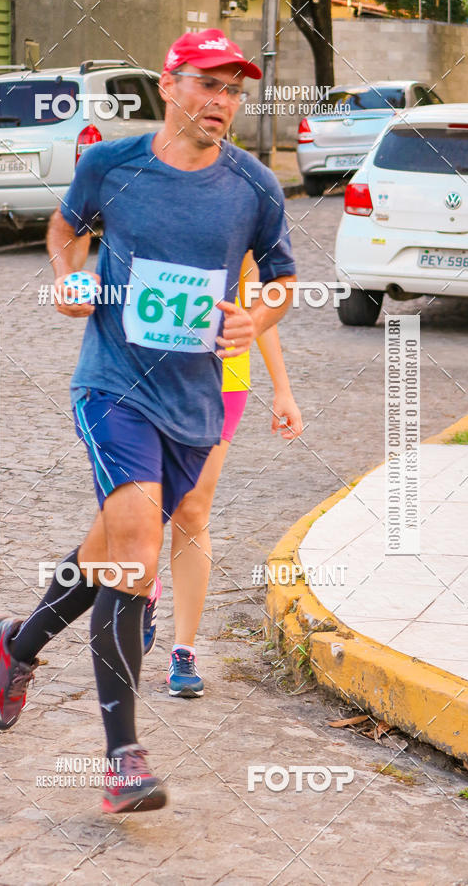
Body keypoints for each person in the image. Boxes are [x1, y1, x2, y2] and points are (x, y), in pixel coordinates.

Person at [0, 28, 297, 815]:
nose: (222, 103)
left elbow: (284, 280)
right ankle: (123, 759)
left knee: (108, 554)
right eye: (208, 85)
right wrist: (67, 278)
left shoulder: (255, 187)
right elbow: (65, 230)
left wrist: (253, 321)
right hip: (113, 386)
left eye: (233, 90)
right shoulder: (110, 166)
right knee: (135, 553)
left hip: (195, 405)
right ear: (170, 85)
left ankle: (15, 645)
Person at [143, 253, 303, 697]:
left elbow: (261, 309)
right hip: (152, 377)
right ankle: (142, 588)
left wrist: (283, 390)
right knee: (143, 506)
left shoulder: (238, 212)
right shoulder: (151, 198)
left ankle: (184, 650)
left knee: (192, 511)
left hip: (223, 381)